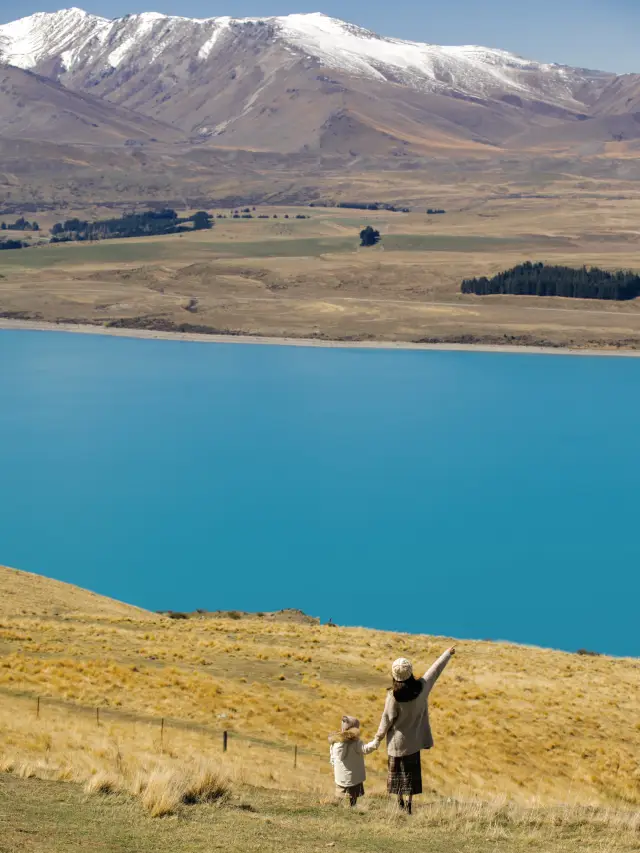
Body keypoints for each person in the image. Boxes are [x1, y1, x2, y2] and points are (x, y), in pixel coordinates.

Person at [373, 647, 456, 814]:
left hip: (396, 745)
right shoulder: (422, 688)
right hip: (413, 743)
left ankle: (400, 803)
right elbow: (435, 670)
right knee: (411, 777)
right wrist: (447, 654)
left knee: (397, 776)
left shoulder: (393, 696)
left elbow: (386, 719)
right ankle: (409, 805)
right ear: (410, 673)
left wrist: (378, 738)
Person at [329, 714, 378, 807]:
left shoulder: (335, 741)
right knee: (354, 794)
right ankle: (353, 807)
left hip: (340, 776)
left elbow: (332, 757)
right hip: (354, 776)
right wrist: (376, 742)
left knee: (339, 794)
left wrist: (334, 765)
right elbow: (366, 749)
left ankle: (336, 808)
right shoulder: (356, 743)